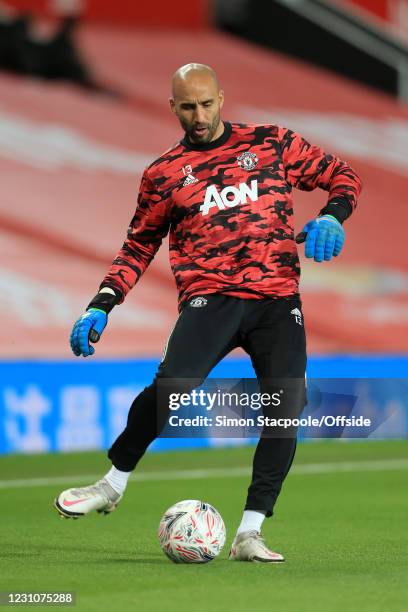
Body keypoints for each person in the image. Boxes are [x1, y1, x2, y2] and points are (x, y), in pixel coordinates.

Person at [54, 63, 362, 562]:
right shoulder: (163, 174)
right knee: (173, 386)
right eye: (188, 107)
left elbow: (343, 176)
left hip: (277, 300)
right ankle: (112, 484)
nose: (199, 116)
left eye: (206, 104)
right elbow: (137, 247)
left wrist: (333, 213)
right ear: (172, 107)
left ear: (222, 98)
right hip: (209, 298)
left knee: (287, 407)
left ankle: (250, 532)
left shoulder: (272, 143)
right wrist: (101, 304)